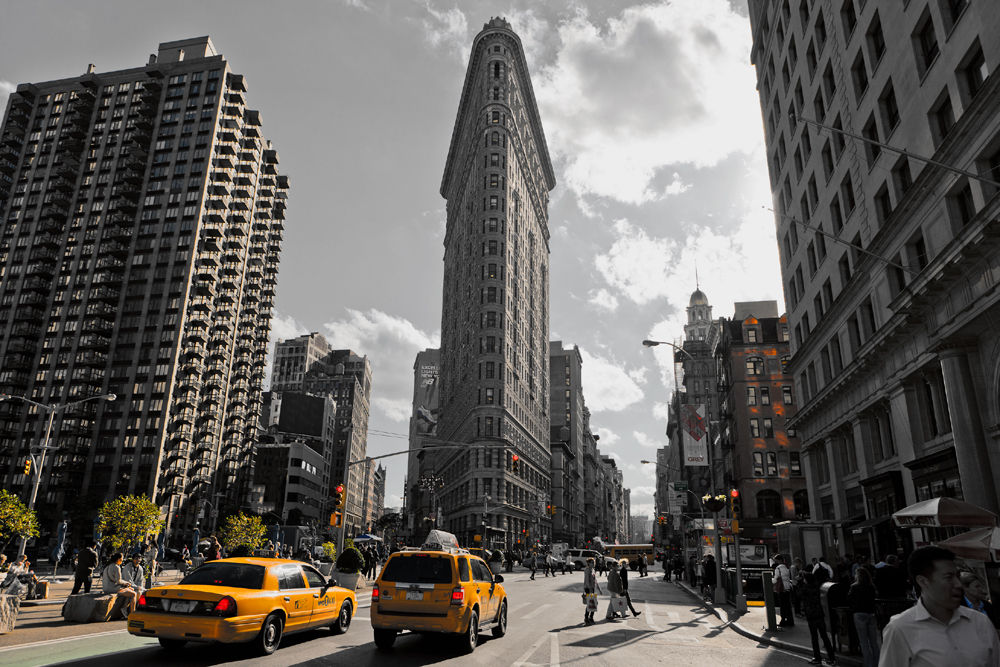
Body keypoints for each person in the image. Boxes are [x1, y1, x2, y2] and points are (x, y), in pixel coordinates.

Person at [881, 546, 1000, 667]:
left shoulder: (981, 622)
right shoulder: (900, 628)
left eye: (958, 576)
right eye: (948, 577)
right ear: (923, 581)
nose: (958, 584)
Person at [801, 571, 836, 665]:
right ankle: (831, 658)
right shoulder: (817, 587)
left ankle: (817, 658)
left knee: (814, 637)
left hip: (810, 615)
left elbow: (798, 594)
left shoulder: (805, 588)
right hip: (819, 613)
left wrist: (800, 581)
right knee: (824, 636)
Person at [849, 567, 880, 667]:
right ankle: (878, 663)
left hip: (859, 613)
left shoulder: (854, 587)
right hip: (871, 614)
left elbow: (849, 599)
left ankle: (869, 664)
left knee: (864, 642)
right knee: (874, 642)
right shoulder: (871, 587)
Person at [102, 553, 138, 620]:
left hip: (106, 588)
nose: (122, 560)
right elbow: (119, 581)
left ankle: (124, 608)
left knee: (131, 590)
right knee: (134, 593)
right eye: (122, 559)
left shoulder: (107, 567)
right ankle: (132, 613)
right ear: (119, 559)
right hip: (112, 588)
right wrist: (126, 582)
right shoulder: (116, 567)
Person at [773, 554, 794, 627]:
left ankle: (783, 621)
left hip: (781, 588)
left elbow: (776, 579)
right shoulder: (786, 567)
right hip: (787, 587)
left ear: (779, 560)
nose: (776, 562)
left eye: (777, 560)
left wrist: (771, 580)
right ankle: (790, 621)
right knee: (788, 605)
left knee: (782, 605)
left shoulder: (778, 568)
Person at [583, 558, 602, 624]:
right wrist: (590, 588)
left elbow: (595, 580)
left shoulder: (593, 570)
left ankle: (591, 617)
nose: (593, 564)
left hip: (592, 588)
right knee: (591, 603)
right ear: (588, 563)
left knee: (593, 603)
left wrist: (599, 588)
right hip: (588, 588)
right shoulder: (587, 570)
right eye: (592, 563)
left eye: (594, 562)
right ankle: (586, 617)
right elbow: (587, 580)